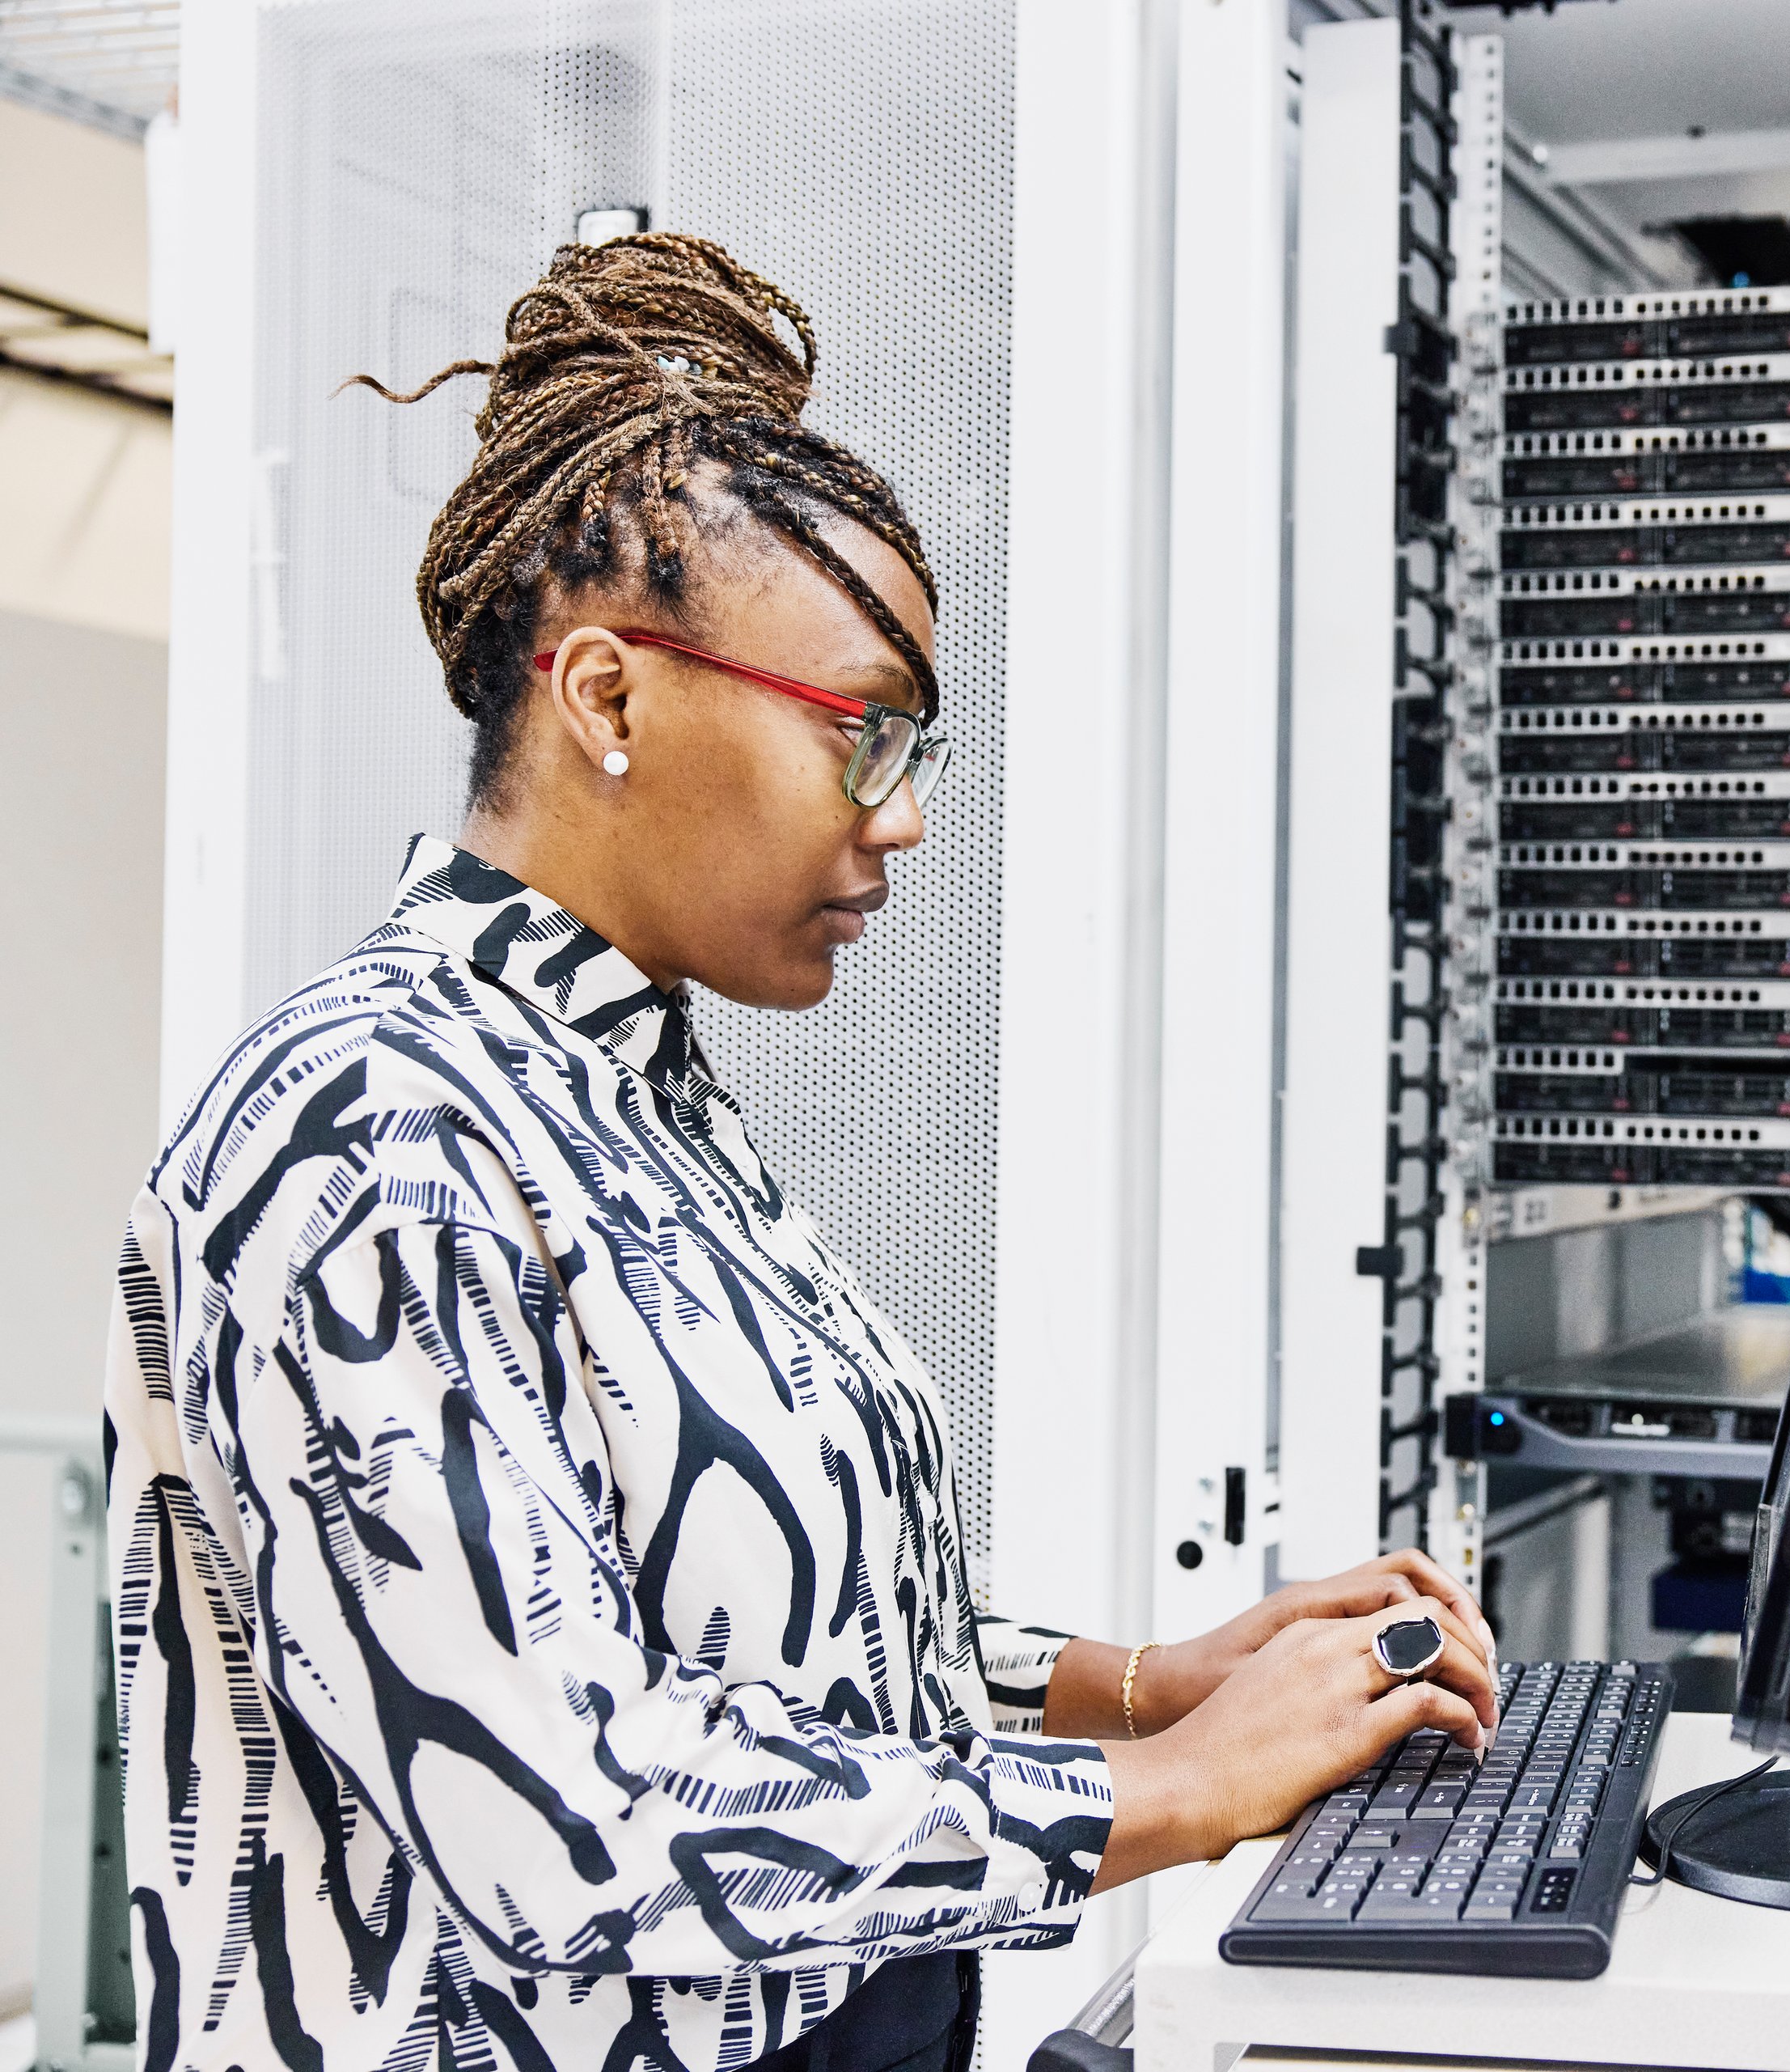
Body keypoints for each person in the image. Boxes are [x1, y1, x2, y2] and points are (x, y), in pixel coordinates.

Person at [105, 233, 1496, 2072]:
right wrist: (1158, 1791)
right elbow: (563, 1825)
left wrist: (1154, 1679)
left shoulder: (631, 1092)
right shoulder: (365, 1136)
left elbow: (755, 1628)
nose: (904, 816)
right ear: (606, 697)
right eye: (864, 734)